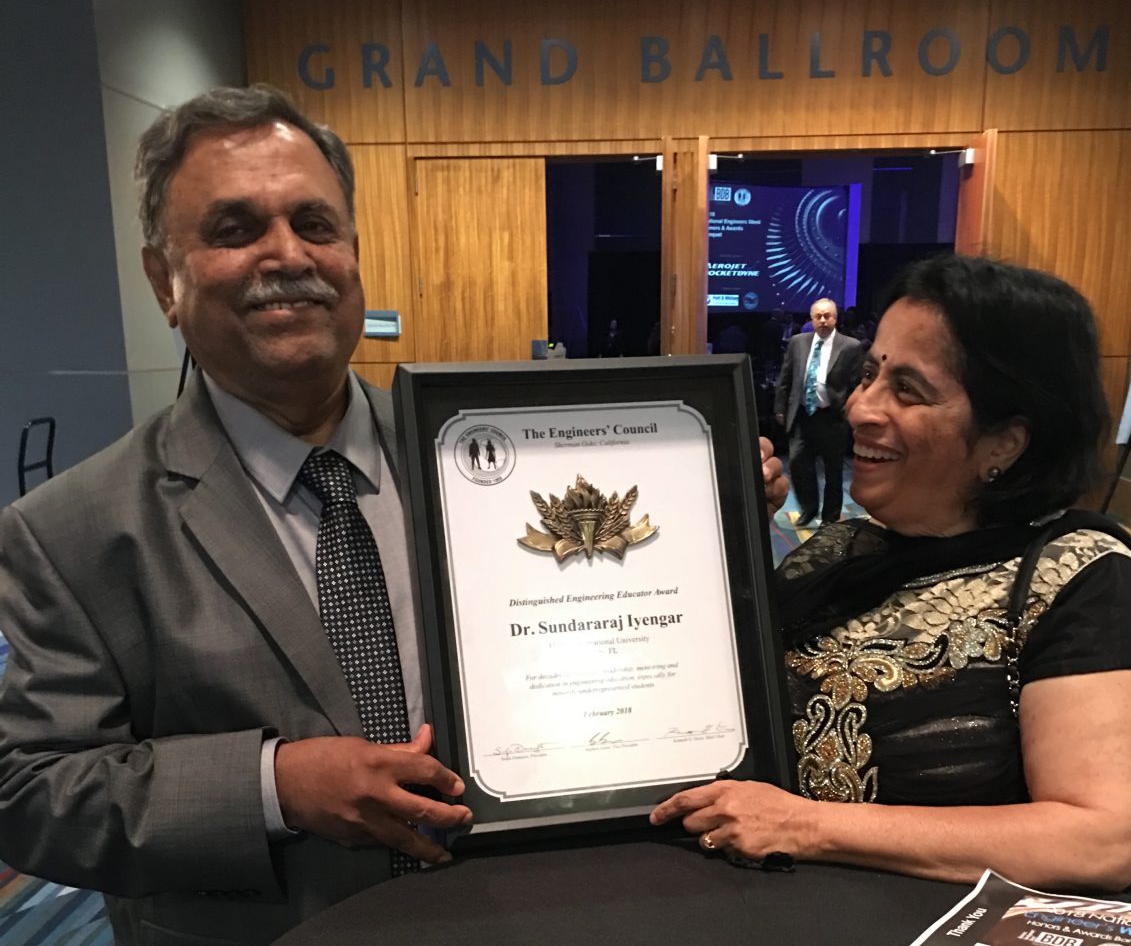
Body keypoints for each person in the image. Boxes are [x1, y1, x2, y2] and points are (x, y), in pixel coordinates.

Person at [0, 82, 794, 944]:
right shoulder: (71, 531)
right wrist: (273, 785)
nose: (285, 255)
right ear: (164, 279)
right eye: (235, 230)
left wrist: (708, 515)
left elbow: (606, 602)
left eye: (314, 224)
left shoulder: (482, 464)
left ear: (351, 251)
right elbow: (29, 790)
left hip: (533, 911)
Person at [652, 254, 1131, 906]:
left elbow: (1101, 837)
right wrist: (725, 527)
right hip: (764, 903)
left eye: (907, 390)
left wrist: (810, 826)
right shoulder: (839, 550)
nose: (859, 408)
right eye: (869, 374)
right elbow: (705, 679)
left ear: (1004, 443)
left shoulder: (1076, 578)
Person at [774, 298, 864, 526]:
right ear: (811, 319)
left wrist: (850, 412)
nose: (823, 320)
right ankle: (809, 508)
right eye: (818, 316)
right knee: (798, 465)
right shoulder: (797, 342)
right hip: (802, 415)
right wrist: (780, 407)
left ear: (835, 318)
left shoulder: (851, 346)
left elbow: (857, 384)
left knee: (833, 471)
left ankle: (830, 517)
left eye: (828, 316)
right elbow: (785, 377)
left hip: (832, 417)